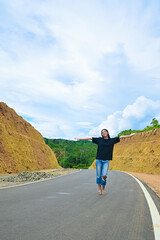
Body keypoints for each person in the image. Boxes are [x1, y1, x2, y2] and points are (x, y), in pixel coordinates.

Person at [75, 129, 136, 195]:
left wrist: (130, 136)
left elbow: (120, 137)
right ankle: (99, 189)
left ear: (107, 132)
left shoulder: (112, 140)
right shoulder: (99, 140)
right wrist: (80, 138)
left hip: (106, 161)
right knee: (98, 176)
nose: (103, 133)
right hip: (98, 160)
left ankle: (103, 189)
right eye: (102, 132)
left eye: (104, 131)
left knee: (104, 175)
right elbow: (90, 138)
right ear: (101, 134)